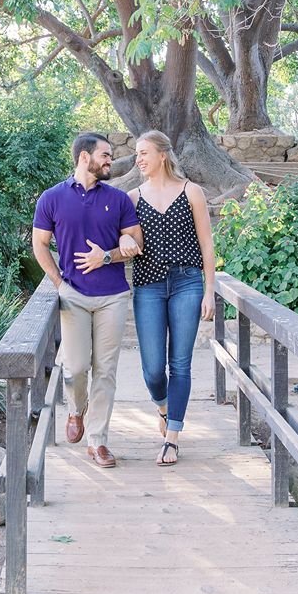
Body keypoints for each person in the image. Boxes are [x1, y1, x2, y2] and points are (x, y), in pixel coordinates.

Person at [32, 133, 143, 470]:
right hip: (74, 297)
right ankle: (76, 410)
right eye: (105, 155)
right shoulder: (51, 198)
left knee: (105, 370)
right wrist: (59, 282)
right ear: (84, 157)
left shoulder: (119, 199)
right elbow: (40, 245)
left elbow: (135, 243)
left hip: (113, 296)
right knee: (77, 367)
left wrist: (107, 256)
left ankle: (98, 441)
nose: (111, 160)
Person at [123, 131, 216, 466]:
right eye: (136, 154)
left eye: (144, 152)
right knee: (151, 370)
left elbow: (207, 245)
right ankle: (163, 406)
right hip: (148, 285)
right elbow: (124, 238)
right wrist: (122, 243)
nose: (138, 159)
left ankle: (172, 437)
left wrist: (209, 290)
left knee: (180, 363)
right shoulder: (132, 198)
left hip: (187, 283)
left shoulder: (192, 192)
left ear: (163, 154)